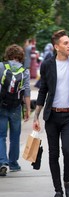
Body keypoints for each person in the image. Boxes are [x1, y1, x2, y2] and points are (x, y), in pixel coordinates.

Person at [32, 30, 69, 197]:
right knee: (53, 154)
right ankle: (58, 190)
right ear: (56, 47)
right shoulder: (48, 64)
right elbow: (43, 90)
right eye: (65, 43)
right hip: (52, 116)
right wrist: (36, 116)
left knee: (67, 150)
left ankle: (67, 180)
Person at [0, 44, 31, 176]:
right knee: (14, 136)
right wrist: (28, 109)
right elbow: (27, 91)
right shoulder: (25, 71)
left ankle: (2, 162)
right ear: (20, 56)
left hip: (1, 105)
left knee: (1, 136)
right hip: (16, 107)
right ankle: (13, 163)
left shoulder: (1, 66)